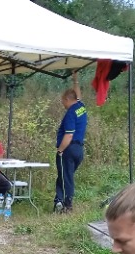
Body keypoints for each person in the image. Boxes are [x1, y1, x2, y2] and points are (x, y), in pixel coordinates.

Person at [54, 72, 86, 214]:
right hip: (78, 150)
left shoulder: (70, 113)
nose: (63, 104)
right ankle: (58, 201)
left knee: (66, 178)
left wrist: (60, 150)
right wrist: (75, 80)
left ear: (67, 99)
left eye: (63, 101)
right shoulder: (81, 107)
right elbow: (78, 96)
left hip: (68, 149)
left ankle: (67, 206)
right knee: (65, 176)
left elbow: (69, 135)